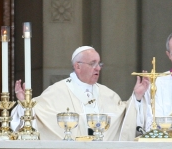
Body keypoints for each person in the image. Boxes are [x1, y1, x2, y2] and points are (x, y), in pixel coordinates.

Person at [12, 46, 151, 140]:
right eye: (93, 63)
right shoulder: (56, 92)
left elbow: (125, 118)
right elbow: (36, 115)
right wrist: (25, 104)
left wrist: (137, 96)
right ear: (77, 66)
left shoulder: (107, 94)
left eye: (99, 64)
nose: (98, 68)